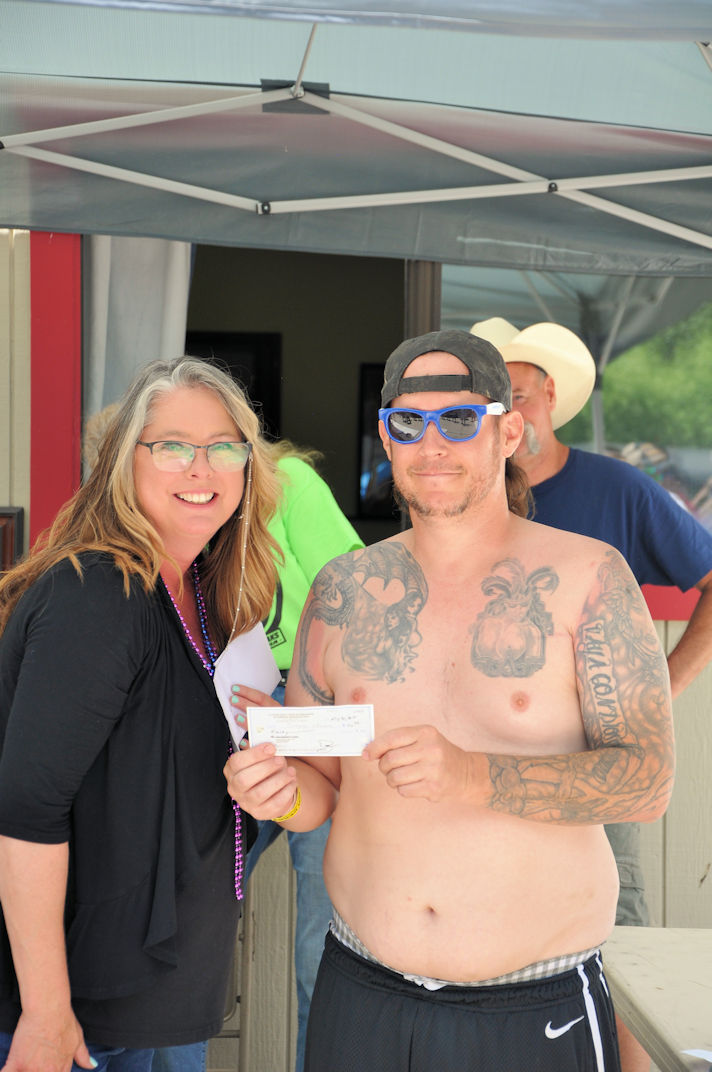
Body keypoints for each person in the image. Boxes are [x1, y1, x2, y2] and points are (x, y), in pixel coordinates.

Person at [224, 329, 675, 1072]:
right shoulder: (342, 594)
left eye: (460, 419)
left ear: (508, 432)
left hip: (534, 1000)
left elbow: (648, 782)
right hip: (361, 987)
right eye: (408, 423)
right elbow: (320, 787)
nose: (431, 443)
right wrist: (277, 789)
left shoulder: (588, 577)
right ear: (386, 438)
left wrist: (473, 774)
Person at [0, 355, 283, 1072]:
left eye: (224, 447)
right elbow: (27, 811)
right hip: (75, 1013)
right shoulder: (98, 592)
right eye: (173, 446)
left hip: (154, 994)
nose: (202, 468)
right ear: (123, 463)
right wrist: (45, 1010)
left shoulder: (208, 595)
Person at [470, 316, 712, 1072]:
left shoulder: (619, 489)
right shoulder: (467, 496)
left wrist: (662, 686)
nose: (507, 414)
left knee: (616, 937)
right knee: (492, 937)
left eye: (517, 395)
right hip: (483, 761)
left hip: (599, 761)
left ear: (550, 397)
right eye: (490, 400)